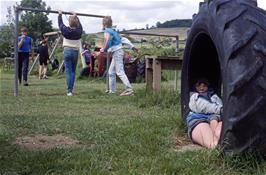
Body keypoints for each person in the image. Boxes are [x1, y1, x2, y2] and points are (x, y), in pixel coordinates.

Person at [100, 16, 134, 96]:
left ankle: (129, 90)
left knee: (120, 72)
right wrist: (132, 47)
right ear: (111, 23)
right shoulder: (113, 31)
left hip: (117, 52)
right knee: (111, 72)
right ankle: (112, 90)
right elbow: (122, 39)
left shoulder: (107, 31)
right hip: (118, 52)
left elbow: (107, 41)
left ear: (103, 24)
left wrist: (103, 49)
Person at [186, 78, 223, 149]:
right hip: (199, 119)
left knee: (219, 134)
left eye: (204, 85)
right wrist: (220, 110)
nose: (201, 88)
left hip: (215, 118)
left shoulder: (214, 96)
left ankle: (219, 142)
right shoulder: (194, 96)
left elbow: (220, 105)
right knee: (212, 144)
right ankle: (215, 147)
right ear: (195, 87)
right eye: (198, 85)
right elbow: (203, 106)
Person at [58, 10, 82, 96]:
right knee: (72, 72)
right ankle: (70, 90)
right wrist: (76, 16)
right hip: (75, 52)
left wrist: (60, 15)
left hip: (67, 51)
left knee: (68, 71)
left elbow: (60, 24)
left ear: (69, 23)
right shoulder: (79, 31)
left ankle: (69, 91)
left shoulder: (66, 31)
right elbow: (80, 26)